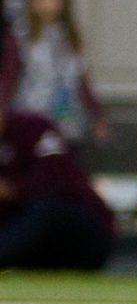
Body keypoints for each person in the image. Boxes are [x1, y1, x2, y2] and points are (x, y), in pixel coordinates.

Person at [0, 109, 113, 270]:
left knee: (44, 207)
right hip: (39, 252)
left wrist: (12, 189)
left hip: (83, 234)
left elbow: (56, 179)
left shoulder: (33, 127)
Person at [12, 0, 102, 146]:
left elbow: (81, 78)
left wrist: (96, 113)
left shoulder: (70, 36)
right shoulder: (23, 35)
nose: (51, 3)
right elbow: (10, 74)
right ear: (33, 1)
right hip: (32, 120)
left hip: (66, 121)